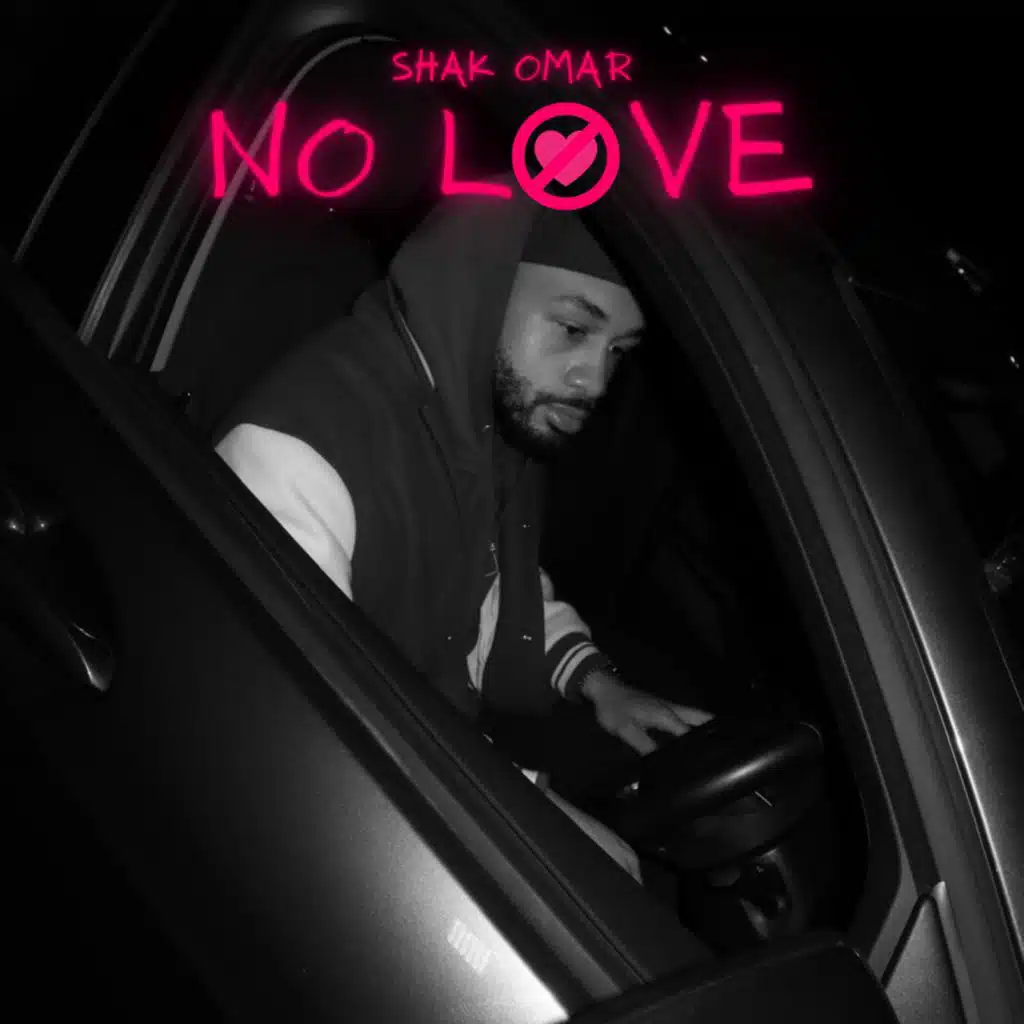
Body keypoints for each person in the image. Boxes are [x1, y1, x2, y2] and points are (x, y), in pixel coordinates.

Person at [214, 179, 712, 884]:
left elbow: (493, 579)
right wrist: (533, 812)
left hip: (445, 724)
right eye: (574, 329)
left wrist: (599, 684)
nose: (595, 381)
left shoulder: (477, 426)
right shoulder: (297, 452)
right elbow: (309, 749)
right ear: (480, 287)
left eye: (619, 351)